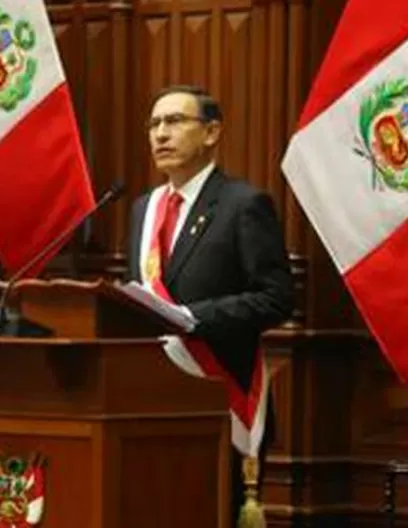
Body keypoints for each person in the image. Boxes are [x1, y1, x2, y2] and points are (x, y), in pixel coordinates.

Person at [127, 85, 294, 526]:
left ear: (212, 132)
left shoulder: (243, 204)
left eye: (176, 121)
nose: (161, 134)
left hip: (217, 395)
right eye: (154, 124)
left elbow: (276, 298)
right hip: (146, 401)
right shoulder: (142, 210)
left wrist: (194, 319)